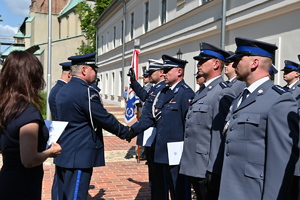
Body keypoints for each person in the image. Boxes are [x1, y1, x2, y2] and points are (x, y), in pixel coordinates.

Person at [219, 37, 299, 199]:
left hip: (253, 192)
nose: (234, 65)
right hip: (230, 188)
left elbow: (280, 162)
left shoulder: (279, 100)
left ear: (254, 63)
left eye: (238, 60)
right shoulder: (240, 97)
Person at [51, 52, 129, 200]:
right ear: (84, 70)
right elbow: (102, 117)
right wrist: (125, 132)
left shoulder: (62, 90)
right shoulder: (85, 91)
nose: (96, 73)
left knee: (61, 194)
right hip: (79, 153)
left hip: (65, 151)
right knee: (76, 195)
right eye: (94, 69)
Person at [127, 54, 195, 200]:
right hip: (162, 150)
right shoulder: (165, 92)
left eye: (167, 70)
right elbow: (152, 117)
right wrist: (130, 131)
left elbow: (189, 127)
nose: (163, 73)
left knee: (179, 191)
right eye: (163, 70)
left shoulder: (186, 93)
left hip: (177, 153)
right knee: (162, 185)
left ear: (179, 71)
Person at [0, 50, 62, 200]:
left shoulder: (5, 107)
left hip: (7, 177)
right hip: (22, 185)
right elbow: (29, 160)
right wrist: (51, 152)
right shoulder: (28, 112)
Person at [179, 42, 235, 200]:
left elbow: (221, 135)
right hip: (194, 164)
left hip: (207, 169)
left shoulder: (223, 93)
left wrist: (214, 170)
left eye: (203, 61)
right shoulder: (203, 90)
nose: (198, 64)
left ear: (216, 64)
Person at [128, 59, 168, 199]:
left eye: (152, 72)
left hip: (157, 134)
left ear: (161, 72)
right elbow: (146, 97)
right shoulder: (155, 87)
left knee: (158, 172)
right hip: (150, 133)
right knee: (153, 169)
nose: (150, 74)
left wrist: (130, 132)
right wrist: (134, 82)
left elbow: (150, 113)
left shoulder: (163, 88)